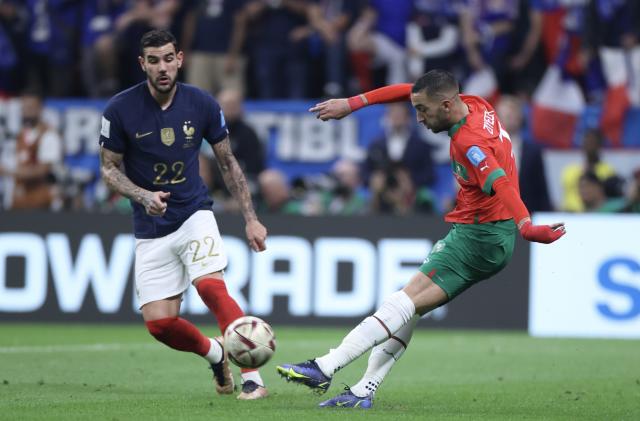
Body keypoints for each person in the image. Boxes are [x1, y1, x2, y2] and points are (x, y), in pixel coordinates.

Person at [276, 69, 565, 408]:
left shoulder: (468, 143)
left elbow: (499, 181)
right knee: (408, 309)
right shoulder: (475, 104)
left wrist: (527, 224)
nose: (419, 118)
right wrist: (353, 103)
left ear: (445, 105)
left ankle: (325, 366)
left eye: (423, 111)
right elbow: (409, 90)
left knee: (402, 301)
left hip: (479, 237)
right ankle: (362, 391)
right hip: (490, 236)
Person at [98, 29, 269, 400]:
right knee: (160, 324)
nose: (163, 67)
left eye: (168, 58)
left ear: (180, 59)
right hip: (150, 226)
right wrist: (143, 195)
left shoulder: (202, 103)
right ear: (142, 64)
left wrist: (251, 218)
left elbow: (227, 162)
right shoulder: (119, 109)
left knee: (210, 286)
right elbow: (109, 169)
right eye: (154, 60)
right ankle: (216, 353)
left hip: (194, 212)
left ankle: (252, 375)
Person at [0, 93, 63, 210]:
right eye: (24, 108)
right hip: (18, 201)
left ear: (40, 109)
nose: (26, 112)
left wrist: (9, 172)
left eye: (30, 108)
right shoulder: (18, 136)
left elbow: (43, 170)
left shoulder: (49, 135)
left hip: (42, 203)